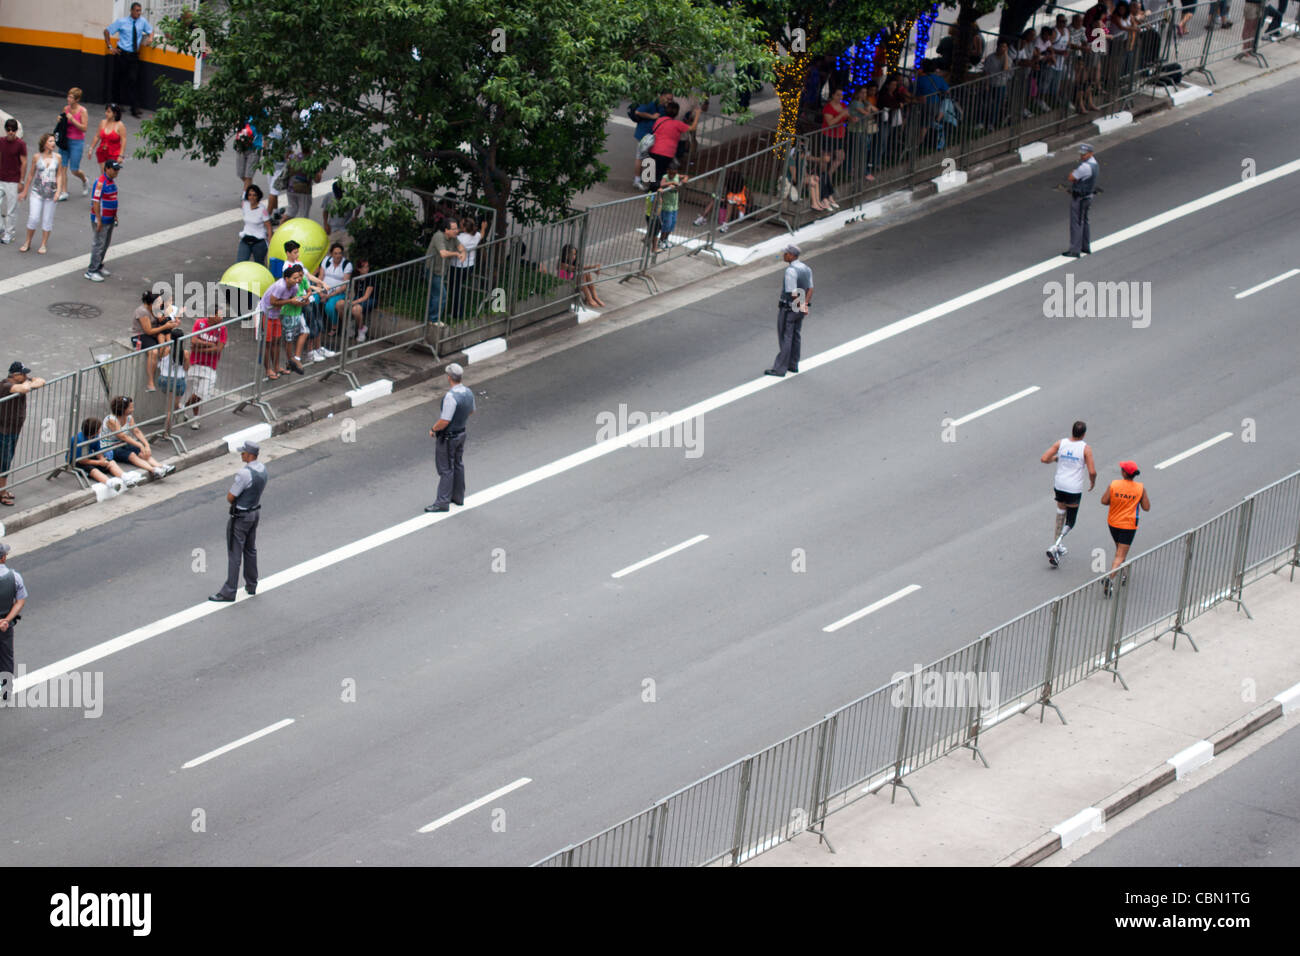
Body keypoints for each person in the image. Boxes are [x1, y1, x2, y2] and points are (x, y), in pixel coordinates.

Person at [209, 440, 267, 602]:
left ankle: (229, 591)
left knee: (235, 553)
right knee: (250, 550)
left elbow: (230, 497)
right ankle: (251, 584)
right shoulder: (263, 469)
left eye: (243, 453)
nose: (241, 455)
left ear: (249, 455)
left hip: (241, 516)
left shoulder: (244, 474)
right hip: (255, 512)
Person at [1041, 421, 1097, 567]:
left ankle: (1057, 545)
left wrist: (1056, 459)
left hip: (1059, 485)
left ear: (1072, 431)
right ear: (1084, 434)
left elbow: (1044, 458)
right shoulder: (1086, 448)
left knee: (1060, 513)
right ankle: (1055, 546)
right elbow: (1092, 471)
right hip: (1073, 488)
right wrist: (1093, 482)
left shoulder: (1061, 443)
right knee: (1070, 521)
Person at [425, 363, 475, 513]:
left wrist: (433, 429)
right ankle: (458, 497)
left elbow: (444, 420)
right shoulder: (468, 392)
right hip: (461, 433)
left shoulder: (451, 396)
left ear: (449, 378)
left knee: (446, 469)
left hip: (449, 437)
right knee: (458, 464)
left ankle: (442, 502)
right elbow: (471, 411)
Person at [1100, 461, 1150, 596]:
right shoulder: (1140, 488)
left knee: (1119, 550)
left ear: (1124, 473)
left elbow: (1104, 501)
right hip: (1128, 525)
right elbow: (1146, 507)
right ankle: (1110, 579)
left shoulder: (1114, 485)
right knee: (1120, 554)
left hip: (1113, 523)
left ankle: (1123, 573)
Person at [0, 362, 46, 507]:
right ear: (15, 375)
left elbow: (41, 380)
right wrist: (29, 383)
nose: (26, 376)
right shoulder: (5, 386)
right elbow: (24, 388)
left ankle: (2, 489)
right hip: (4, 431)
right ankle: (1, 493)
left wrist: (30, 382)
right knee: (4, 462)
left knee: (7, 459)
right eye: (23, 374)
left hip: (13, 430)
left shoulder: (21, 381)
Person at [765, 245, 814, 377]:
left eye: (786, 253)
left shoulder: (791, 271)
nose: (784, 255)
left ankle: (780, 368)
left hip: (790, 307)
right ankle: (793, 364)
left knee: (786, 336)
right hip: (799, 305)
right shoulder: (806, 268)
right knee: (796, 335)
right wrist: (805, 304)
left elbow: (792, 293)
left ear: (791, 255)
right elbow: (810, 288)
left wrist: (801, 304)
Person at [98, 395, 172, 477]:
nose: (133, 409)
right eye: (130, 408)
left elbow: (136, 431)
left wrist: (146, 445)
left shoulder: (129, 417)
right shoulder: (112, 420)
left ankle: (161, 466)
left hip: (122, 443)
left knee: (143, 453)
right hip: (110, 447)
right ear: (123, 409)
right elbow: (122, 436)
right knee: (132, 455)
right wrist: (140, 445)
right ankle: (154, 470)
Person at [104, 2, 153, 116]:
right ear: (131, 11)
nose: (138, 13)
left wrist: (150, 38)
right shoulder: (122, 22)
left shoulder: (142, 21)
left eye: (140, 10)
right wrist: (110, 47)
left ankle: (134, 107)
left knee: (133, 80)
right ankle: (116, 104)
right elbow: (107, 31)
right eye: (136, 10)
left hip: (133, 55)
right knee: (118, 79)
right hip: (122, 53)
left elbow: (150, 30)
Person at [16, 132, 60, 254]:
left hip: (51, 194)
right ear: (44, 143)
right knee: (33, 218)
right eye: (50, 141)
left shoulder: (58, 158)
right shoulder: (37, 157)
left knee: (47, 220)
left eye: (53, 141)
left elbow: (60, 175)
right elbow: (31, 175)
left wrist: (59, 191)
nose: (53, 143)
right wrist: (25, 191)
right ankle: (27, 241)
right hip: (37, 192)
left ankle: (43, 244)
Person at [185, 305, 228, 429]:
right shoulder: (200, 323)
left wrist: (201, 347)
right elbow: (193, 342)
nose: (222, 317)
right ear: (211, 315)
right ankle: (195, 419)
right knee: (195, 391)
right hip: (196, 363)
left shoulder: (222, 328)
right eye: (219, 315)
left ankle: (183, 408)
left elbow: (218, 348)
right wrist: (210, 344)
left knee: (201, 393)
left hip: (210, 366)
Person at [132, 290, 180, 391]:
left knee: (168, 347)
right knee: (153, 351)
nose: (161, 304)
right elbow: (148, 331)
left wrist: (172, 323)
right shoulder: (142, 311)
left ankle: (164, 374)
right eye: (158, 303)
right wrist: (166, 326)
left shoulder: (156, 309)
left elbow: (163, 319)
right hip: (141, 335)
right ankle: (150, 382)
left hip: (155, 334)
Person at [646, 101, 699, 190]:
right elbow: (692, 128)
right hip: (667, 153)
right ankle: (656, 192)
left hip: (654, 150)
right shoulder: (678, 124)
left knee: (654, 173)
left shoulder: (659, 120)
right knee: (661, 174)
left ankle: (651, 190)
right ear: (677, 113)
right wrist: (697, 114)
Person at [0, 542, 28, 703]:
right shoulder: (14, 577)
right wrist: (6, 620)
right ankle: (6, 691)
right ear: (3, 558)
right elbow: (20, 601)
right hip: (6, 626)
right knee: (6, 657)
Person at [84, 159, 122, 282]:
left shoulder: (111, 182)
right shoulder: (100, 183)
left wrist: (115, 215)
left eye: (118, 169)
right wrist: (98, 220)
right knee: (99, 245)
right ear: (107, 169)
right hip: (102, 220)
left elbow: (113, 200)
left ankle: (99, 266)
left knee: (105, 244)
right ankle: (91, 271)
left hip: (109, 218)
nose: (117, 172)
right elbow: (95, 201)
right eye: (115, 169)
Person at [69, 416, 129, 488]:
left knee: (111, 462)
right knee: (93, 471)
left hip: (88, 456)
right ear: (95, 431)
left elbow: (98, 450)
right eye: (99, 428)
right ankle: (110, 483)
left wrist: (102, 459)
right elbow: (82, 461)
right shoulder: (80, 441)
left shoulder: (96, 436)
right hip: (77, 461)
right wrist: (99, 463)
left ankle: (125, 477)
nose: (101, 429)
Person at [425, 218, 465, 324]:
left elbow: (461, 247)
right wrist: (456, 254)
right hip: (433, 270)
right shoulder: (439, 236)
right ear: (446, 230)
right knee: (441, 295)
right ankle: (433, 319)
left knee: (436, 294)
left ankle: (431, 319)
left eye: (457, 228)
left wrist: (463, 254)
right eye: (454, 229)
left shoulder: (453, 238)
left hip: (442, 270)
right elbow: (443, 253)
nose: (457, 231)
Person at [631, 92, 672, 190]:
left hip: (653, 136)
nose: (669, 101)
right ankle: (637, 180)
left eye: (671, 99)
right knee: (641, 157)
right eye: (667, 98)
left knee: (648, 158)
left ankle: (645, 181)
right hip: (644, 135)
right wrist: (652, 116)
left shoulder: (663, 107)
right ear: (661, 96)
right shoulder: (651, 103)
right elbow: (638, 112)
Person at [1063, 143, 1099, 257]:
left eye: (1084, 154)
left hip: (1079, 198)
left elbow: (1071, 177)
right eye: (1081, 154)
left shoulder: (1084, 167)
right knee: (1085, 221)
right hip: (1088, 196)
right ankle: (1085, 246)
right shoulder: (1095, 164)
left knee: (1076, 223)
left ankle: (1075, 250)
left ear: (1090, 153)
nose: (1082, 156)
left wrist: (1073, 172)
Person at [56, 88, 90, 201]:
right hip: (65, 141)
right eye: (68, 96)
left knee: (74, 169)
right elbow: (63, 124)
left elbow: (84, 128)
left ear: (77, 99)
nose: (68, 99)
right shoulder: (66, 108)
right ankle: (64, 191)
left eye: (71, 97)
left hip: (77, 142)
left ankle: (85, 180)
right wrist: (60, 119)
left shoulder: (82, 111)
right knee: (62, 167)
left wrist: (73, 119)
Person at [318, 242, 352, 348]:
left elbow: (345, 285)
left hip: (338, 293)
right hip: (324, 290)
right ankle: (317, 325)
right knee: (313, 300)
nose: (338, 256)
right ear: (331, 254)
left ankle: (334, 327)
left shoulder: (347, 265)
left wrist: (329, 295)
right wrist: (319, 291)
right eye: (335, 253)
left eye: (340, 253)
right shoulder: (326, 261)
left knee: (329, 306)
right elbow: (320, 276)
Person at [0, 118, 25, 245]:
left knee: (11, 209)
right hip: (1, 178)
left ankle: (9, 234)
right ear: (5, 130)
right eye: (9, 130)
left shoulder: (20, 144)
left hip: (13, 181)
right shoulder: (1, 141)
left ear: (16, 131)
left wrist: (21, 181)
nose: (11, 132)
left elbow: (24, 162)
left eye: (13, 130)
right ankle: (2, 227)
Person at [557, 244, 605, 309]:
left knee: (586, 273)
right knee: (581, 274)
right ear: (566, 255)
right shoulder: (561, 264)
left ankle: (594, 296)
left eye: (575, 254)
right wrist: (593, 267)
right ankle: (589, 298)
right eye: (571, 254)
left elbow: (581, 268)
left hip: (575, 282)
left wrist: (594, 268)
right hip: (566, 285)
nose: (574, 256)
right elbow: (576, 268)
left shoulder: (574, 261)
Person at [343, 257, 377, 343]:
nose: (367, 269)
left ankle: (361, 329)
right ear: (359, 269)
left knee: (355, 309)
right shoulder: (356, 277)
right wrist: (349, 299)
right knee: (341, 304)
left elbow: (366, 297)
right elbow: (353, 292)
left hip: (369, 299)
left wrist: (353, 302)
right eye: (364, 267)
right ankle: (349, 325)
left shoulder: (370, 277)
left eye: (367, 266)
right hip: (358, 297)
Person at [237, 184, 271, 263]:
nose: (251, 197)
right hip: (246, 239)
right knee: (240, 263)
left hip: (259, 242)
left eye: (254, 195)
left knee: (259, 264)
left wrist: (270, 242)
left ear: (258, 196)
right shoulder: (245, 205)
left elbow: (269, 227)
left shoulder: (262, 210)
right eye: (249, 195)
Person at [89, 103, 126, 176]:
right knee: (104, 174)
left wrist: (121, 155)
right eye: (106, 111)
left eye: (109, 112)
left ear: (114, 113)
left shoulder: (120, 125)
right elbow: (97, 136)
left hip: (114, 154)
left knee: (110, 175)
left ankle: (106, 186)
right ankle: (103, 186)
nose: (106, 113)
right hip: (102, 151)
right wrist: (91, 148)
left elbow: (123, 140)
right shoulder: (103, 122)